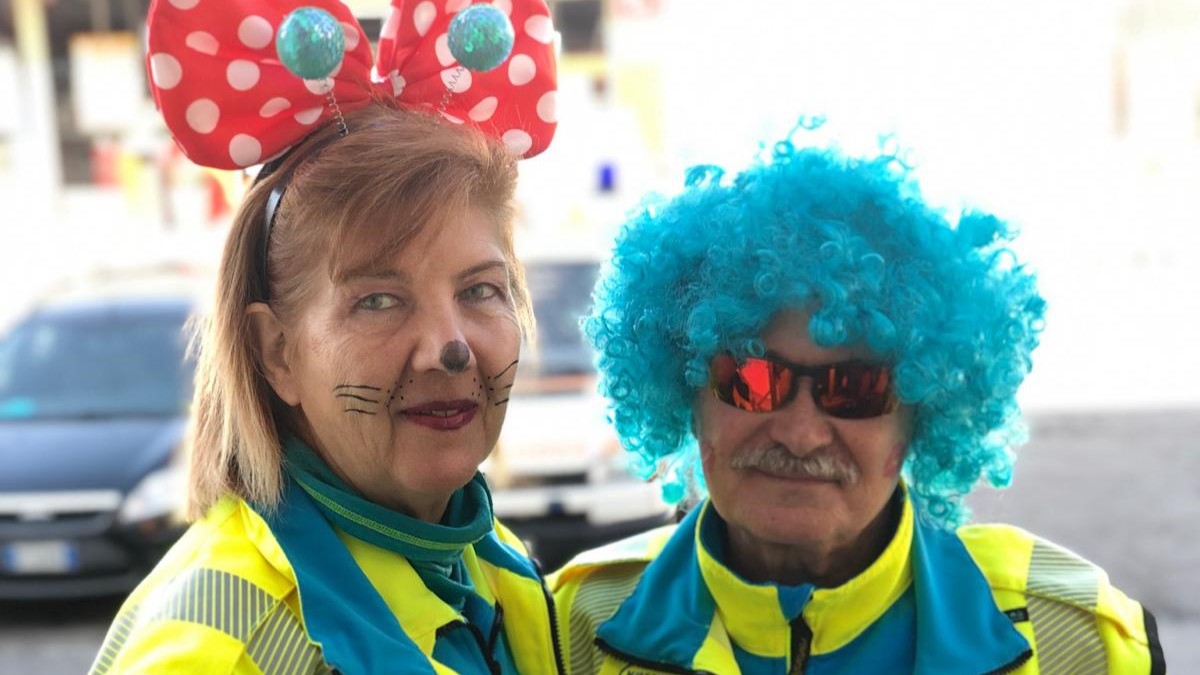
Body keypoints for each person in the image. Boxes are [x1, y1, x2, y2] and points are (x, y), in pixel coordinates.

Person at [551, 124, 1166, 674]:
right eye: (752, 380)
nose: (800, 433)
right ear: (689, 400)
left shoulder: (1080, 642)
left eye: (855, 388)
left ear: (918, 420)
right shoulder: (566, 632)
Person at [91, 0, 566, 673]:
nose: (449, 347)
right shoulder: (217, 653)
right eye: (378, 300)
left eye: (479, 290)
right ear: (276, 352)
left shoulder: (488, 565)